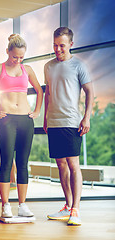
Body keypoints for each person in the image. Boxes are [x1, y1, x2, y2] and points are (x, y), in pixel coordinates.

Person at [0, 34, 43, 218]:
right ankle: (5, 205)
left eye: (21, 57)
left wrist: (37, 111)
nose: (18, 60)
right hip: (6, 120)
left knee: (23, 163)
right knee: (6, 163)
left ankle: (22, 205)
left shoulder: (27, 69)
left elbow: (39, 90)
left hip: (25, 121)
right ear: (7, 51)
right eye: (15, 57)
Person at [43, 27, 94, 226]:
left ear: (71, 44)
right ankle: (67, 205)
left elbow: (89, 92)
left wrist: (87, 117)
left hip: (72, 122)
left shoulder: (79, 66)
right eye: (55, 45)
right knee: (60, 164)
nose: (57, 49)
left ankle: (76, 209)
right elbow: (48, 93)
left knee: (73, 164)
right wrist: (46, 118)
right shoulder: (48, 66)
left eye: (61, 45)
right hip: (54, 122)